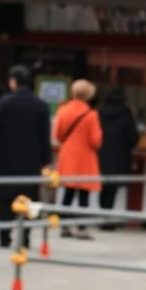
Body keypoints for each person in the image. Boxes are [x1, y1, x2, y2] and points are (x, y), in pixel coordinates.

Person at [0, 64, 52, 249]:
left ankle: (5, 238)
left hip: (7, 159)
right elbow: (45, 137)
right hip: (31, 161)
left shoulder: (4, 103)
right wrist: (46, 160)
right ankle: (25, 238)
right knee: (28, 200)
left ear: (13, 81)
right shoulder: (41, 106)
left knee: (5, 201)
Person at [54, 79, 103, 239]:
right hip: (85, 159)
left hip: (67, 156)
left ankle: (64, 226)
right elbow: (96, 141)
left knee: (67, 193)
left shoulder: (63, 110)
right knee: (84, 195)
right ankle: (81, 228)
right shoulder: (91, 115)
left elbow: (57, 135)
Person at [97, 88, 140, 227]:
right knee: (112, 189)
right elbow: (133, 138)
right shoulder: (125, 114)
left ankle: (102, 217)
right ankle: (108, 220)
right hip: (119, 156)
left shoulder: (99, 113)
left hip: (100, 155)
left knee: (103, 187)